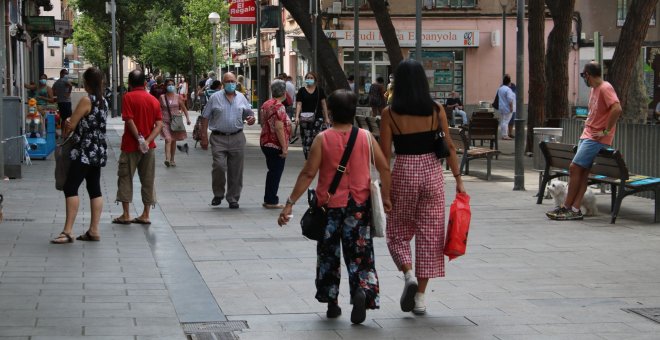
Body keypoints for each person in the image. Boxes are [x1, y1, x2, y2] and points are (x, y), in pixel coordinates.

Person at [277, 89, 392, 324]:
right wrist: (387, 198)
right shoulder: (366, 137)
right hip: (359, 207)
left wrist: (289, 204)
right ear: (352, 112)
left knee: (329, 255)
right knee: (360, 255)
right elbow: (384, 168)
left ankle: (332, 303)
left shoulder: (323, 138)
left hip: (329, 208)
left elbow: (309, 173)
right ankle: (361, 290)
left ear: (331, 111)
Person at [379, 59, 467, 316]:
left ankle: (408, 275)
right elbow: (449, 146)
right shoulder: (436, 109)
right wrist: (459, 180)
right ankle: (420, 298)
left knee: (397, 230)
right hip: (432, 172)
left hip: (404, 171)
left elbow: (385, 156)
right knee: (430, 236)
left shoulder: (390, 114)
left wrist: (385, 191)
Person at [547, 62, 622, 221]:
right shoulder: (594, 90)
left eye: (583, 75)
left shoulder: (605, 88)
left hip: (595, 138)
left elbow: (617, 109)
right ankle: (574, 209)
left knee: (574, 168)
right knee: (582, 172)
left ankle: (567, 207)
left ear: (588, 74)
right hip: (588, 134)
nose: (583, 78)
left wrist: (605, 131)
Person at [50, 67, 108, 244]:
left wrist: (68, 122)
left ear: (87, 83)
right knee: (94, 188)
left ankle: (68, 231)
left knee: (70, 187)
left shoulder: (86, 100)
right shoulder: (103, 101)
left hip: (83, 150)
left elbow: (71, 125)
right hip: (97, 150)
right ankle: (94, 230)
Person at [113, 70, 163, 225]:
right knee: (148, 179)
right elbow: (159, 124)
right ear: (144, 83)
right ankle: (146, 214)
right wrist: (147, 141)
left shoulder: (128, 97)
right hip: (149, 148)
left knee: (125, 177)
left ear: (130, 83)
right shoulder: (153, 100)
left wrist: (139, 139)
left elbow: (129, 120)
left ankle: (126, 214)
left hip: (130, 146)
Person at [202, 72, 256, 209]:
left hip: (237, 137)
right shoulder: (215, 98)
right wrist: (203, 136)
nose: (231, 84)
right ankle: (218, 194)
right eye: (228, 81)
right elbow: (205, 117)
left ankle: (233, 198)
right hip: (218, 138)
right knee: (219, 166)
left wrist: (251, 119)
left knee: (236, 170)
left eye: (233, 81)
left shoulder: (241, 98)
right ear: (223, 83)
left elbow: (250, 115)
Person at [259, 80, 292, 209]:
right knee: (275, 172)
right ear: (284, 92)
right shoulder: (279, 107)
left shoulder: (266, 104)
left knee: (272, 171)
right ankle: (271, 200)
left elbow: (263, 122)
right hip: (275, 144)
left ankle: (269, 198)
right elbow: (279, 128)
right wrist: (284, 148)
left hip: (265, 142)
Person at [295, 71, 329, 159]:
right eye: (307, 78)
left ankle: (317, 156)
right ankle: (308, 156)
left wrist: (326, 117)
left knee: (317, 137)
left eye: (311, 78)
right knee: (306, 138)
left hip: (318, 118)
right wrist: (296, 116)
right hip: (305, 118)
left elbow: (323, 104)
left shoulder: (319, 90)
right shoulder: (301, 91)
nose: (309, 79)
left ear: (315, 80)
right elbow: (299, 104)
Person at [160, 78, 191, 167]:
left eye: (172, 84)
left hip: (175, 122)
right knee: (168, 139)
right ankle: (167, 159)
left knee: (173, 141)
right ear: (165, 86)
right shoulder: (162, 97)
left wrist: (188, 119)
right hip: (165, 122)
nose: (171, 86)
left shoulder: (178, 97)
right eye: (169, 85)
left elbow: (184, 108)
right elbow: (159, 109)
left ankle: (172, 159)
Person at [496, 75, 515, 140]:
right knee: (506, 121)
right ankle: (505, 135)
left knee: (503, 121)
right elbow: (510, 99)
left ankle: (503, 134)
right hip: (507, 108)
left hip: (501, 107)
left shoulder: (500, 88)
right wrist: (511, 107)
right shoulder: (508, 89)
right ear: (509, 82)